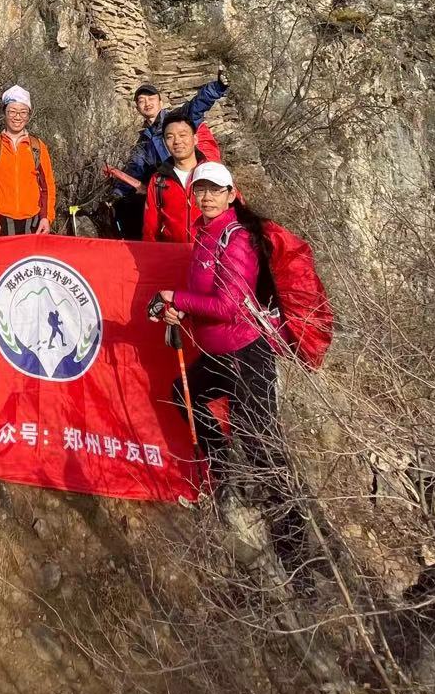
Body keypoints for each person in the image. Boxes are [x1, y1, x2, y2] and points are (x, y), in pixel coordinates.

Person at [156, 160, 313, 577]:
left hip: (247, 356)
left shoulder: (237, 238)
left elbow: (228, 306)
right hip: (220, 355)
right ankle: (226, 473)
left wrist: (178, 299)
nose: (205, 196)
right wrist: (180, 312)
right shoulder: (204, 235)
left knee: (265, 450)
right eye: (200, 190)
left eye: (214, 190)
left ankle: (298, 552)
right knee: (182, 393)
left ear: (231, 194)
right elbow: (201, 296)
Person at [110, 70, 228, 238]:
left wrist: (218, 86)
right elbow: (133, 169)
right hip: (170, 188)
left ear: (160, 101)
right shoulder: (143, 143)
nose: (147, 103)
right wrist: (117, 194)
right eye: (141, 101)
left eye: (151, 99)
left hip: (196, 181)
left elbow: (197, 104)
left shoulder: (176, 119)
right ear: (137, 107)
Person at [0, 85, 56, 237]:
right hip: (0, 224)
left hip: (32, 224)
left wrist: (46, 217)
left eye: (23, 112)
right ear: (4, 113)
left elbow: (48, 186)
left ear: (29, 115)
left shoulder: (38, 147)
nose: (17, 117)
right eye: (12, 111)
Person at [141, 111, 223, 244]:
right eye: (170, 137)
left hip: (211, 256)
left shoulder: (213, 173)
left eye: (183, 135)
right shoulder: (158, 181)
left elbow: (236, 216)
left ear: (195, 139)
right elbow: (150, 228)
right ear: (164, 142)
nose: (177, 141)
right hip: (174, 257)